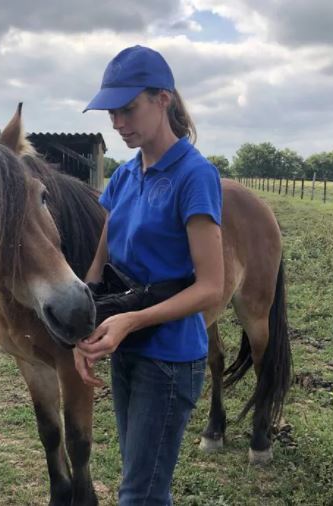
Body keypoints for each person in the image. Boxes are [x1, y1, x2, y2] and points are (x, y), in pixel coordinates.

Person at [75, 45, 224, 505]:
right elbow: (103, 252)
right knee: (143, 482)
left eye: (127, 109)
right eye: (111, 113)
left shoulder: (194, 176)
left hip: (170, 358)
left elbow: (212, 286)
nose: (118, 123)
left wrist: (131, 321)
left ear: (164, 99)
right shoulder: (124, 175)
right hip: (128, 349)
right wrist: (86, 320)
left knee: (138, 492)